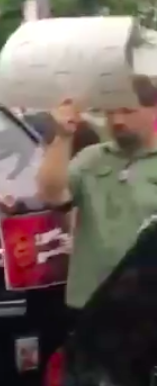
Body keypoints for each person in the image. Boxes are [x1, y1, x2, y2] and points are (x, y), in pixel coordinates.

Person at [37, 77, 157, 317]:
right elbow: (52, 195)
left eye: (128, 111)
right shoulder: (91, 158)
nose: (117, 120)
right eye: (110, 112)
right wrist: (63, 137)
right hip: (92, 301)